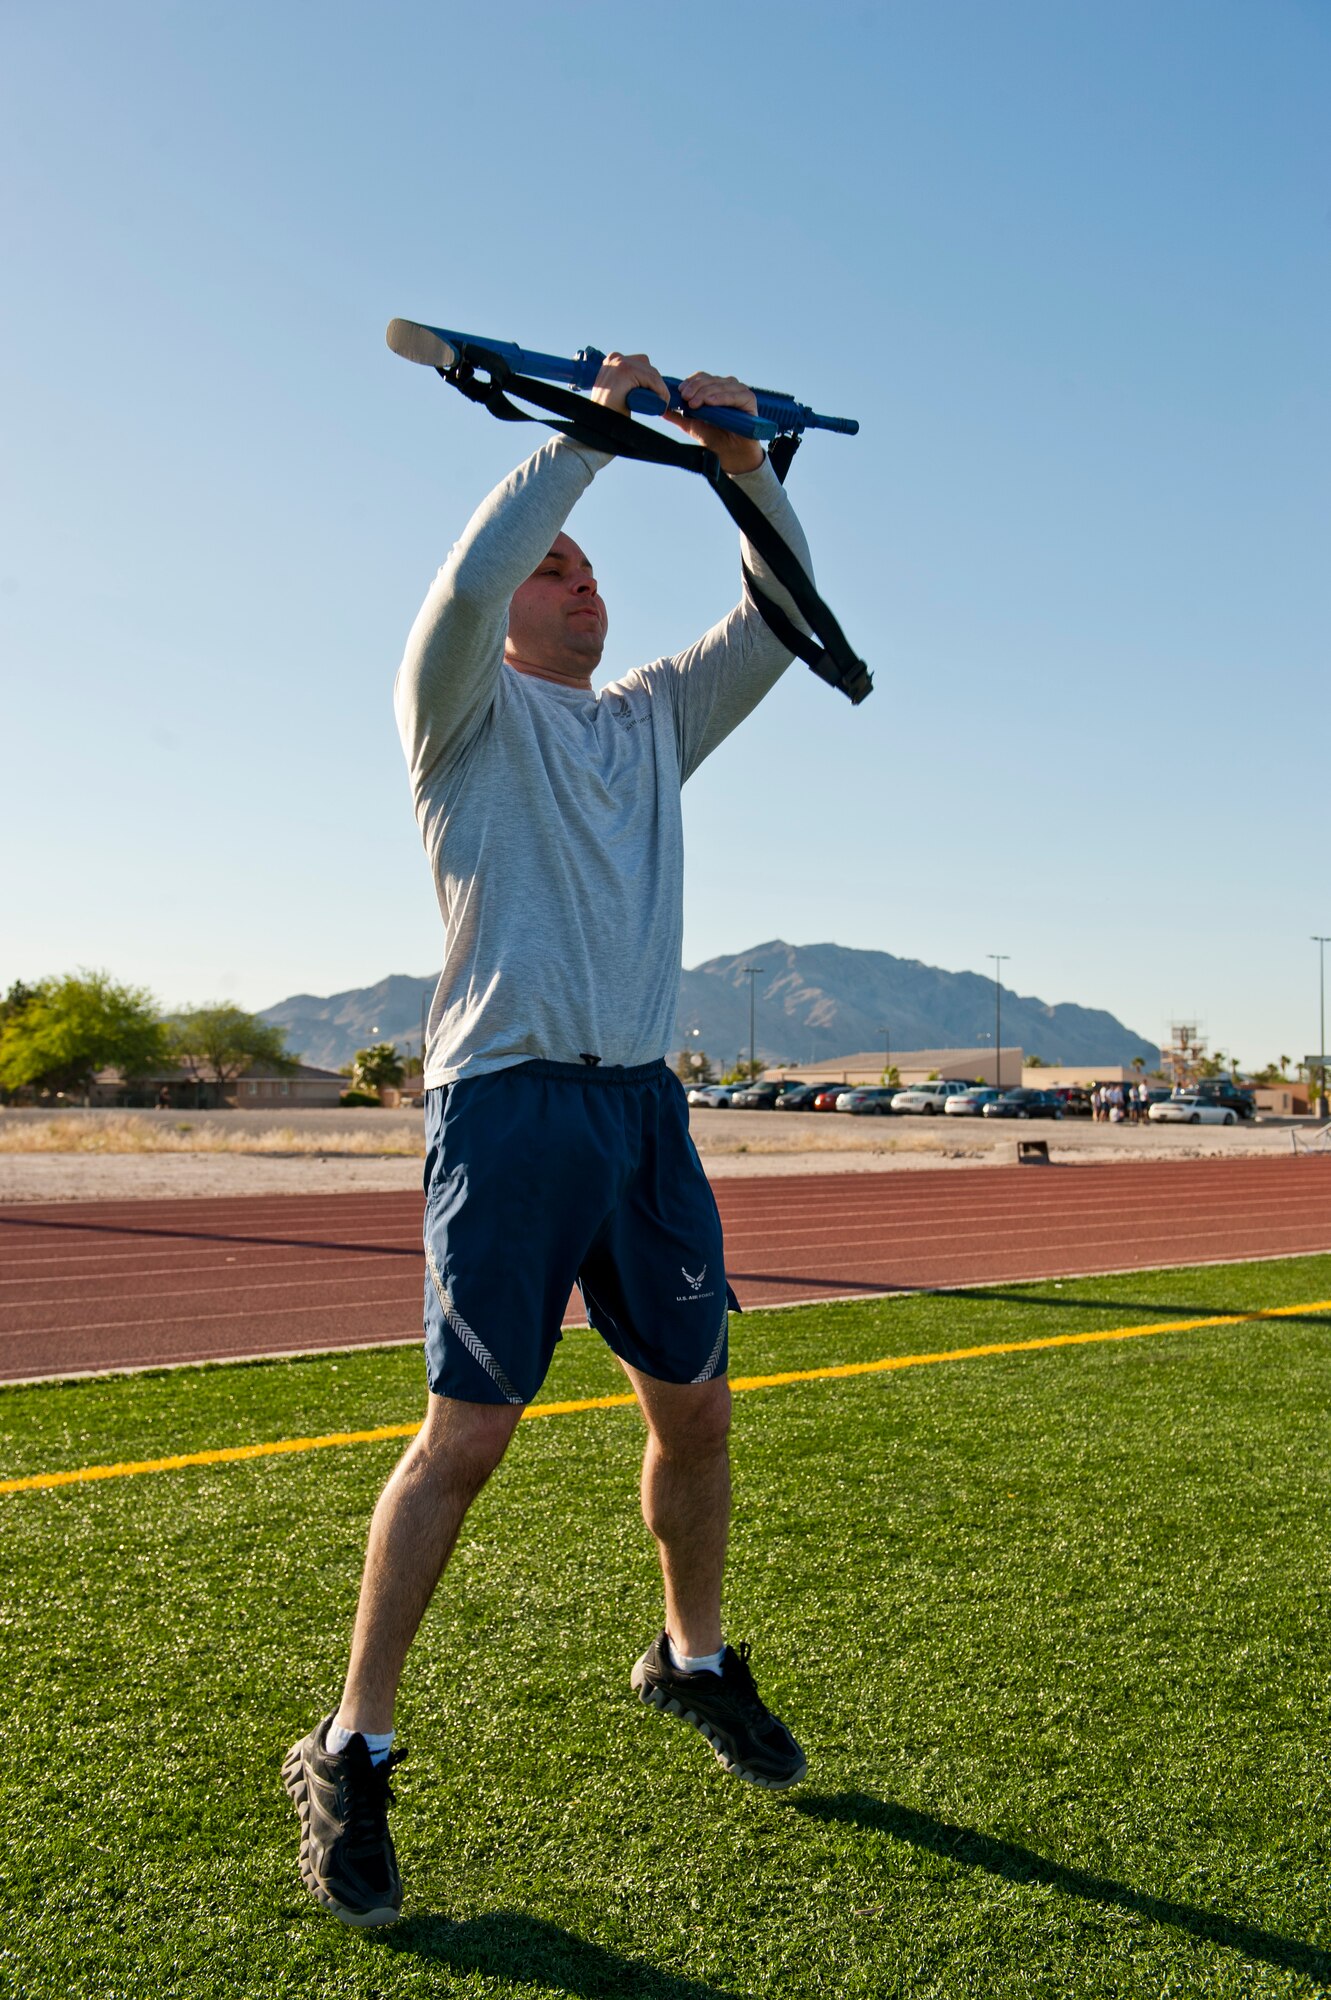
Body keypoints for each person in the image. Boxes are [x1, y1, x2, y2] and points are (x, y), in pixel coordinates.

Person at [283, 353, 815, 1927]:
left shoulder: (648, 720)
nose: (583, 588)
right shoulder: (455, 709)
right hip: (507, 1105)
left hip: (643, 1112)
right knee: (469, 1438)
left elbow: (785, 619)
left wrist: (738, 467)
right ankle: (352, 1745)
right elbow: (466, 574)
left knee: (700, 1413)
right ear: (517, 597)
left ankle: (693, 1660)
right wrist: (588, 435)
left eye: (593, 573)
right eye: (559, 570)